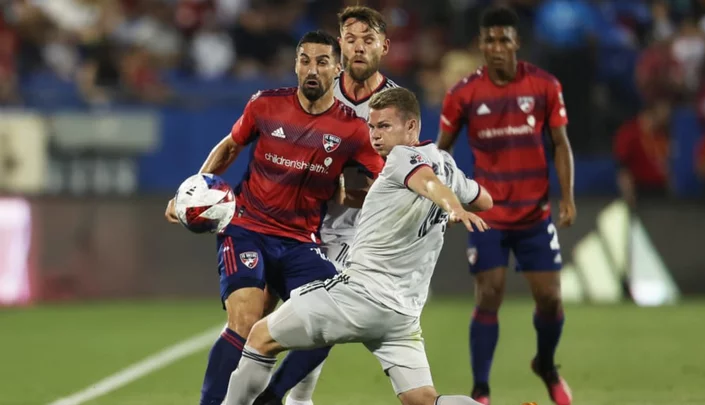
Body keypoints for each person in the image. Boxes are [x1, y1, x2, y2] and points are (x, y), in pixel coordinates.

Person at [221, 86, 493, 405]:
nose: (375, 135)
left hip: (359, 296)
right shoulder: (446, 164)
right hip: (402, 315)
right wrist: (450, 205)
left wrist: (452, 208)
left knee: (261, 337)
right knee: (422, 398)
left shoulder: (403, 158)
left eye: (385, 126)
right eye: (372, 127)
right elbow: (484, 199)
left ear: (412, 126)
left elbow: (427, 183)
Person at [164, 30, 384, 405]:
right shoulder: (266, 105)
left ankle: (272, 398)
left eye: (322, 61)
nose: (312, 69)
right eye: (304, 60)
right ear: (296, 65)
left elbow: (387, 181)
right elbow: (232, 144)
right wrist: (190, 193)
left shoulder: (352, 129)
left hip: (301, 241)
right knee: (246, 320)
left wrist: (431, 202)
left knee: (334, 318)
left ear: (338, 68)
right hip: (247, 228)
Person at [255, 6, 398, 405]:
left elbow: (398, 179)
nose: (357, 48)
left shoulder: (393, 104)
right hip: (300, 222)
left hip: (358, 229)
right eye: (350, 39)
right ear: (339, 47)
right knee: (266, 314)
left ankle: (290, 398)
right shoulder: (316, 92)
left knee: (315, 314)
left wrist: (345, 192)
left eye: (367, 40)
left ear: (382, 47)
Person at [436, 6, 575, 405]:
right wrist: (446, 201)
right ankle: (481, 390)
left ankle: (546, 365)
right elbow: (441, 154)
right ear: (481, 44)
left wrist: (566, 198)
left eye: (504, 40)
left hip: (534, 213)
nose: (496, 47)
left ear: (517, 43)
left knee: (550, 299)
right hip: (489, 214)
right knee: (489, 293)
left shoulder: (544, 86)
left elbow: (561, 145)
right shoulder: (462, 94)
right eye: (490, 40)